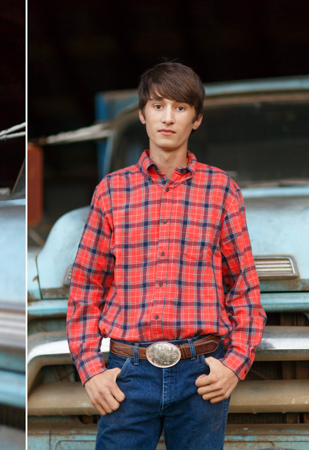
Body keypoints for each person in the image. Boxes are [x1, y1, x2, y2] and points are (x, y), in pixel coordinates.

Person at [66, 62, 265, 450]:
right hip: (126, 374)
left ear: (197, 118)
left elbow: (245, 289)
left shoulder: (222, 190)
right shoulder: (110, 192)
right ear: (142, 114)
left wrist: (234, 365)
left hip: (201, 375)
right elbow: (86, 287)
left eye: (180, 107)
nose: (168, 118)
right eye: (158, 106)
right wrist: (91, 371)